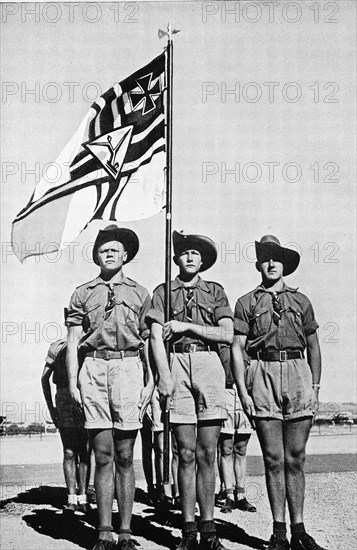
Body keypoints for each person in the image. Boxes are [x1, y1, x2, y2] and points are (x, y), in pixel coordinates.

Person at [232, 235, 326, 550]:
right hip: (262, 374)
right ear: (259, 264)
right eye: (265, 258)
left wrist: (313, 386)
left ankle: (299, 530)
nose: (271, 263)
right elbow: (237, 348)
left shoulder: (302, 301)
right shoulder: (246, 302)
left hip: (298, 372)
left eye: (276, 257)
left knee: (296, 457)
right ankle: (279, 533)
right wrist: (244, 389)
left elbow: (313, 346)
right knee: (273, 458)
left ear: (284, 264)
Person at [66, 225, 154, 550]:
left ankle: (127, 532)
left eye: (115, 249)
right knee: (102, 454)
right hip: (93, 369)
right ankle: (104, 531)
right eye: (104, 249)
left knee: (126, 455)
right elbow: (73, 342)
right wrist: (75, 382)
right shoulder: (82, 293)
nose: (110, 253)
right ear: (97, 256)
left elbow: (147, 343)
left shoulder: (141, 293)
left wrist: (151, 382)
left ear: (126, 255)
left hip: (129, 368)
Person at [148, 230, 234, 550]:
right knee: (184, 453)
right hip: (176, 364)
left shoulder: (215, 291)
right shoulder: (163, 292)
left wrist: (188, 326)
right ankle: (188, 530)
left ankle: (209, 530)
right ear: (176, 258)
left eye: (196, 254)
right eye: (184, 252)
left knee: (207, 452)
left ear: (203, 260)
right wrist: (163, 376)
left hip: (208, 362)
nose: (189, 257)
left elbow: (226, 334)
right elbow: (155, 336)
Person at [41, 336, 91, 514]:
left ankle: (83, 497)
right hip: (63, 398)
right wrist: (52, 409)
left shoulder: (89, 344)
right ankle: (71, 498)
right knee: (69, 451)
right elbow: (44, 379)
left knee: (85, 451)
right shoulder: (57, 347)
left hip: (85, 396)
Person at [216, 346, 256, 514]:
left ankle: (241, 495)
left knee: (241, 448)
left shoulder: (246, 340)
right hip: (224, 391)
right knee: (226, 447)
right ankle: (228, 494)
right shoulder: (219, 339)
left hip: (245, 394)